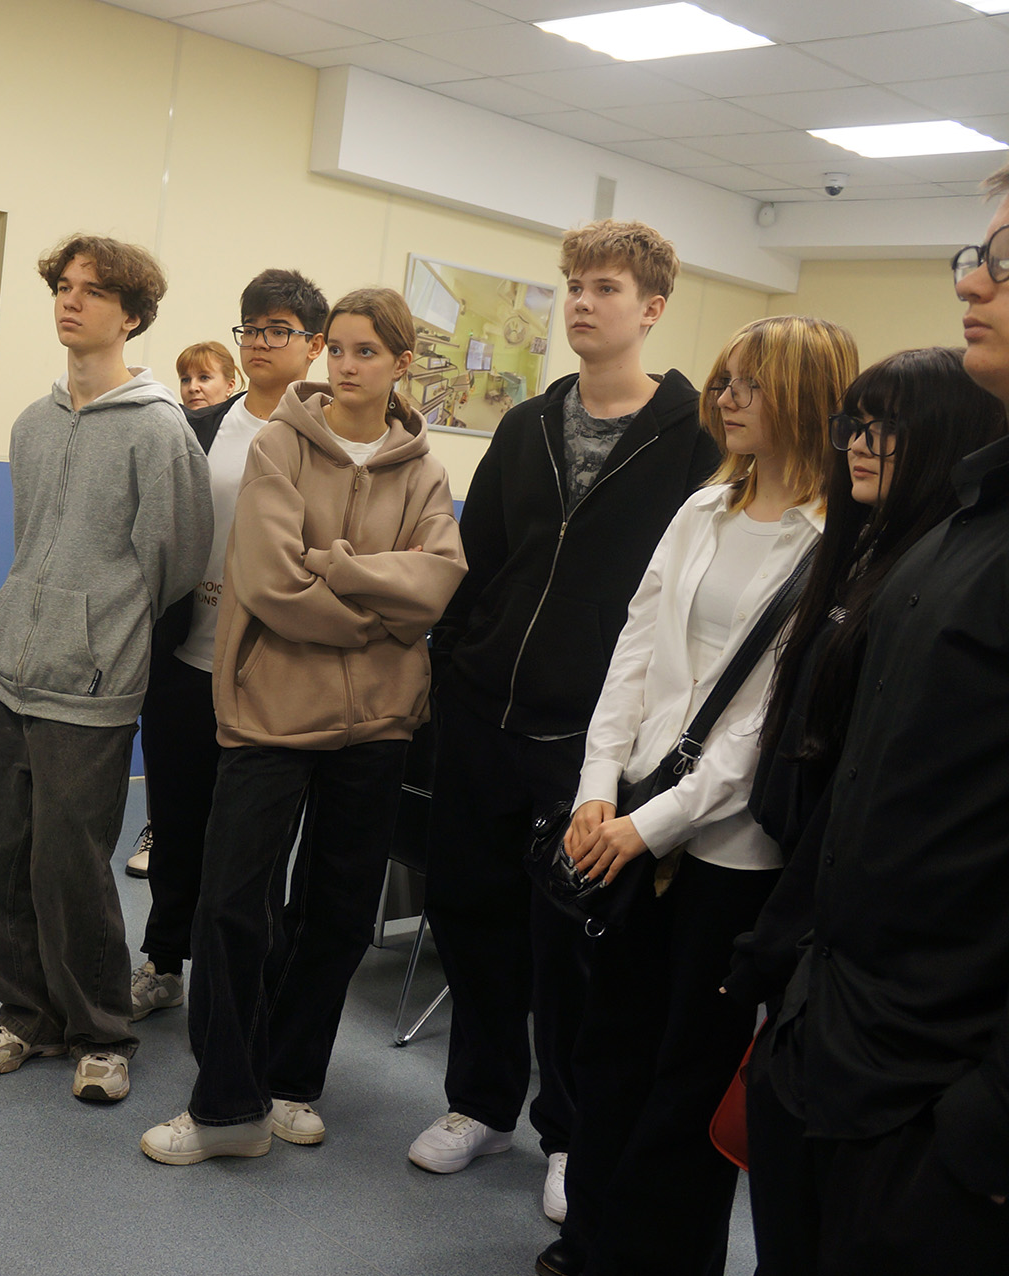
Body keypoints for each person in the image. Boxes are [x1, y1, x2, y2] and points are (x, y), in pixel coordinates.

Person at [412, 220, 721, 1226]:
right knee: (470, 915)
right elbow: (479, 563)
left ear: (652, 307)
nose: (583, 302)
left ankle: (570, 1134)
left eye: (606, 287)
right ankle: (480, 1103)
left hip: (592, 744)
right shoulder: (526, 424)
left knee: (572, 951)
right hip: (483, 715)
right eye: (575, 285)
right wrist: (454, 667)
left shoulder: (696, 440)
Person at [539, 315, 856, 1276]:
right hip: (630, 816)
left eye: (750, 384)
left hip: (729, 854)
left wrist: (650, 824)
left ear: (806, 398)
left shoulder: (839, 541)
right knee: (609, 1052)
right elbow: (633, 653)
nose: (727, 399)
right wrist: (598, 789)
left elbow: (770, 725)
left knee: (687, 1082)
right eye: (725, 381)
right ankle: (589, 1242)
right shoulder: (703, 509)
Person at [746, 166, 1009, 1275]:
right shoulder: (963, 526)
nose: (972, 282)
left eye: (1005, 262)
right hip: (835, 1038)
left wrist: (985, 1128)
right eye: (977, 254)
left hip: (937, 1100)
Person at [140, 287, 466, 1164]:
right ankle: (225, 1107)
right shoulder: (280, 444)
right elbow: (273, 582)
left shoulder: (426, 472)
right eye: (341, 349)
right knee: (230, 904)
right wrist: (377, 603)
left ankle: (291, 1082)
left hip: (378, 722)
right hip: (270, 711)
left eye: (368, 352)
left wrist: (335, 565)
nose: (347, 366)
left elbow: (437, 582)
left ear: (402, 364)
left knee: (339, 912)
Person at [0, 234, 212, 1104]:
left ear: (132, 315)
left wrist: (104, 637)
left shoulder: (159, 431)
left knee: (70, 868)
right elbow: (32, 542)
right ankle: (27, 1016)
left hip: (93, 687)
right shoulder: (33, 424)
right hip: (16, 674)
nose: (70, 301)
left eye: (93, 291)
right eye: (63, 287)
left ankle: (102, 1033)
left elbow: (175, 565)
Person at [131, 270, 328, 1017]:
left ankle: (243, 984)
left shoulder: (322, 438)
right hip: (187, 661)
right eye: (252, 329)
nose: (261, 343)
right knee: (176, 824)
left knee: (251, 847)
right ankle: (162, 962)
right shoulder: (201, 429)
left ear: (313, 345)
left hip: (270, 672)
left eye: (279, 330)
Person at [125, 339, 248, 883]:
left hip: (240, 644)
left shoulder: (257, 441)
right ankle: (158, 828)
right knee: (171, 757)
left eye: (205, 378)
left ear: (231, 383)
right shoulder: (177, 435)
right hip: (181, 632)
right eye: (187, 379)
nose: (194, 389)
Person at [175, 339, 243, 413]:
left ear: (230, 386)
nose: (192, 388)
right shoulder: (172, 418)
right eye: (185, 380)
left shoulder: (243, 419)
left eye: (204, 378)